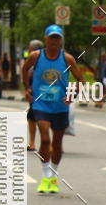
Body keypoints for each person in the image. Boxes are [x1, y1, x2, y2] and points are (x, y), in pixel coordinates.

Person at [22, 25, 85, 193]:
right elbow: (24, 68)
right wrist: (27, 89)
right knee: (45, 140)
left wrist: (72, 95)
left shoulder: (67, 59)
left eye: (57, 38)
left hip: (60, 107)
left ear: (61, 40)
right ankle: (44, 176)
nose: (54, 41)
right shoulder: (36, 56)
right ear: (46, 39)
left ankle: (53, 176)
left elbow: (81, 80)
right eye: (52, 38)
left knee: (57, 143)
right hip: (40, 104)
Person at [25, 39, 43, 151]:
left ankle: (32, 143)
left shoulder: (34, 58)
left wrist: (28, 88)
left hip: (37, 93)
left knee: (33, 117)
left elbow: (28, 73)